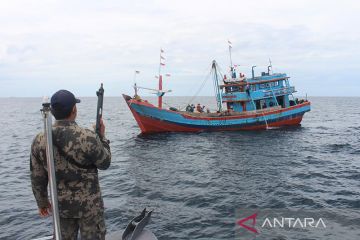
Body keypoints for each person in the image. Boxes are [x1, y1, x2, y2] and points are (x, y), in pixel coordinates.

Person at [30, 90, 111, 240]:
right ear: (74, 109)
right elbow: (105, 163)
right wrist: (103, 138)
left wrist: (42, 202)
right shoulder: (87, 136)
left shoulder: (40, 139)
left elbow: (37, 177)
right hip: (89, 207)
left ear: (52, 111)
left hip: (61, 206)